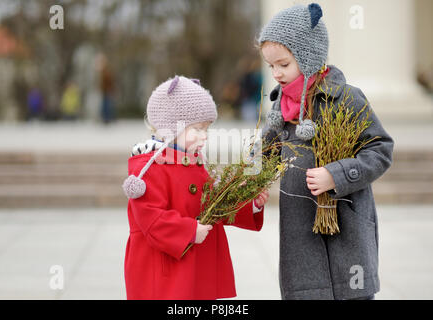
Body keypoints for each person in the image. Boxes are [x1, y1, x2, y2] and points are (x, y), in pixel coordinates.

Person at [258, 3, 394, 300]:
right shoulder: (280, 108)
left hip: (348, 230)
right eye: (271, 66)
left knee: (353, 292)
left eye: (283, 64)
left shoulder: (345, 98)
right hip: (301, 233)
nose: (276, 73)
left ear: (308, 57)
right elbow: (267, 155)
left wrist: (337, 174)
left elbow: (380, 149)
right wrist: (255, 179)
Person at [122, 76, 269, 300]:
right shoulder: (149, 168)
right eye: (197, 129)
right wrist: (188, 231)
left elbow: (214, 205)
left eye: (207, 129)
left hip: (195, 266)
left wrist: (250, 205)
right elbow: (150, 218)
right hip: (165, 269)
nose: (204, 137)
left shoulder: (194, 161)